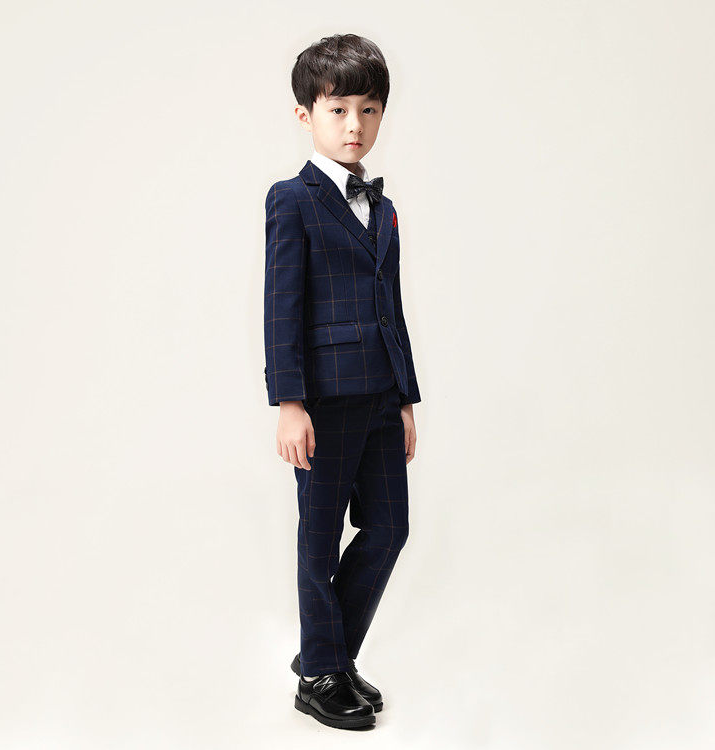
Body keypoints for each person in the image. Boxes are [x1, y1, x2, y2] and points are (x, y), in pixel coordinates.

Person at [262, 33, 422, 730]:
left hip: (381, 397)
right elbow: (281, 306)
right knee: (320, 537)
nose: (354, 124)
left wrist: (406, 397)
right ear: (306, 116)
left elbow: (391, 307)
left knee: (389, 527)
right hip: (323, 401)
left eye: (368, 109)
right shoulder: (291, 200)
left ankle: (327, 654)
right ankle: (320, 674)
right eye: (337, 110)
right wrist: (288, 402)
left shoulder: (383, 208)